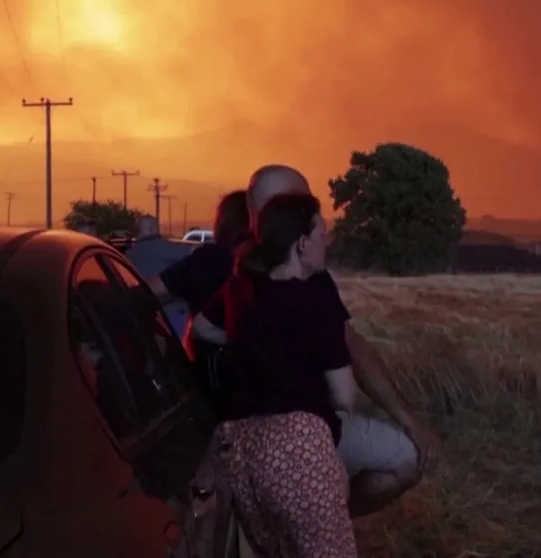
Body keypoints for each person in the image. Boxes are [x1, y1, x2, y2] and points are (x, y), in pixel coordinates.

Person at [193, 164, 442, 518]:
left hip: (237, 434)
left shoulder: (228, 271)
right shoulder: (308, 279)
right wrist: (408, 420)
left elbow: (200, 328)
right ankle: (324, 516)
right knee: (404, 457)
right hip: (308, 436)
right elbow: (346, 383)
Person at [206, 191, 356, 557]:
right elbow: (344, 396)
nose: (328, 241)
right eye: (322, 234)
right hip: (298, 451)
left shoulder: (243, 290)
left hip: (241, 452)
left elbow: (201, 329)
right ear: (303, 244)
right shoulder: (315, 301)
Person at [147, 190, 250, 354]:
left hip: (205, 372)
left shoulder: (208, 259)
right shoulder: (274, 264)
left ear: (222, 222)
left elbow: (146, 293)